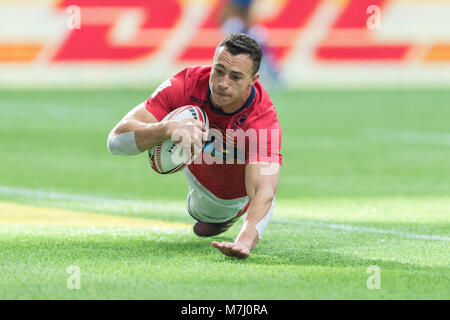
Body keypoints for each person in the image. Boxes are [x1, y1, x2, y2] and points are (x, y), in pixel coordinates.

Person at [107, 33, 282, 259]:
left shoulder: (263, 119)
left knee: (204, 225)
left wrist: (244, 242)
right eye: (218, 70)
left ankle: (232, 212)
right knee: (168, 124)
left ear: (253, 79)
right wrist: (167, 129)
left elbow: (264, 191)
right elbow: (115, 142)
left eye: (235, 77)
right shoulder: (186, 84)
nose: (222, 83)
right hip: (189, 156)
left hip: (223, 190)